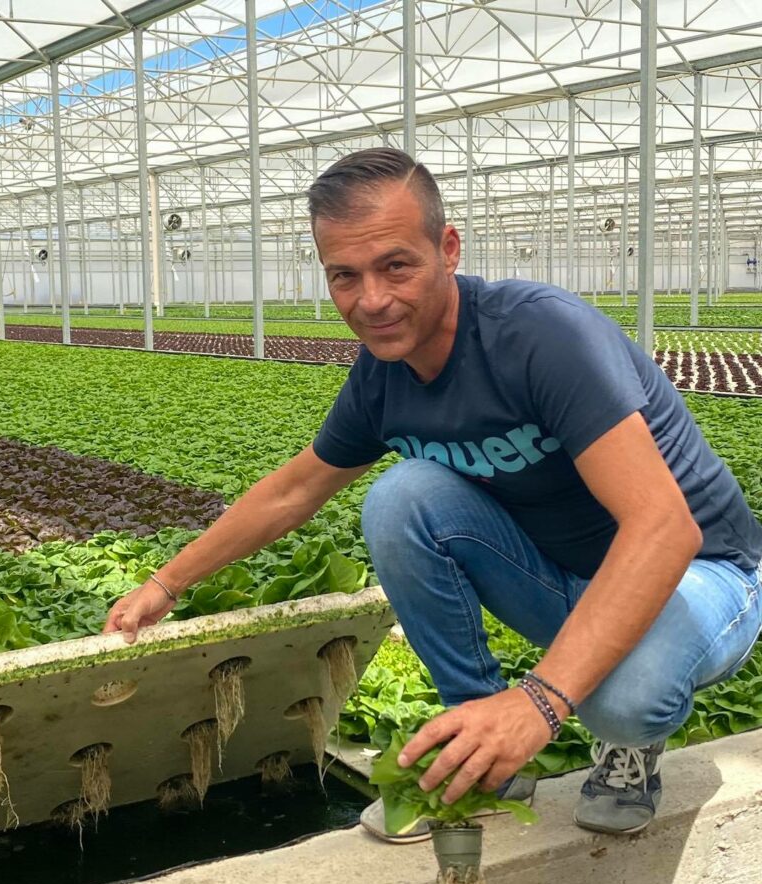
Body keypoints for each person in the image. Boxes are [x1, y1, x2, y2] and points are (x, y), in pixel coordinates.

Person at [103, 148, 762, 840]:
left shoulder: (539, 335)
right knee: (403, 495)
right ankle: (480, 755)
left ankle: (625, 747)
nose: (372, 300)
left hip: (703, 574)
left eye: (395, 266)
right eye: (345, 276)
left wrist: (539, 699)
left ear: (447, 249)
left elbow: (665, 528)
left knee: (624, 701)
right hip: (569, 581)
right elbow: (291, 493)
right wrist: (166, 584)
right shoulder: (382, 380)